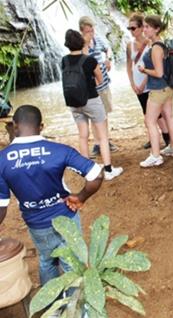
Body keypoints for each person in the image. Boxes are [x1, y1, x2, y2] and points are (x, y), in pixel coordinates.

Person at [0, 105, 102, 287]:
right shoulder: (60, 150)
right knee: (73, 264)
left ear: (14, 126)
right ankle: (77, 309)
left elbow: (1, 206)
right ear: (42, 126)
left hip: (37, 223)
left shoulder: (2, 160)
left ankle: (53, 309)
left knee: (47, 260)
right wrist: (80, 197)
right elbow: (96, 175)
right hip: (66, 216)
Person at [62, 29, 123, 180]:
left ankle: (87, 171)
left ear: (67, 45)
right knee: (102, 136)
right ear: (81, 42)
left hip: (74, 102)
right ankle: (108, 170)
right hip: (91, 100)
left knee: (83, 136)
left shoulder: (64, 60)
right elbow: (101, 80)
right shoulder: (89, 60)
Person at [138, 15, 173, 167]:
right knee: (169, 116)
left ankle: (155, 155)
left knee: (149, 121)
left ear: (156, 28)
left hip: (158, 88)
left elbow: (159, 72)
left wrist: (144, 70)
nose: (145, 29)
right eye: (144, 26)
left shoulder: (156, 48)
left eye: (148, 27)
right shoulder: (162, 44)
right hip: (168, 87)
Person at [126, 12, 170, 150]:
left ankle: (165, 138)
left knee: (156, 115)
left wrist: (143, 83)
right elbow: (129, 66)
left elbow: (154, 66)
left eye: (133, 28)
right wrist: (133, 84)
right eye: (129, 29)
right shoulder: (129, 45)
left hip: (149, 82)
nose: (131, 31)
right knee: (147, 113)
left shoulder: (151, 44)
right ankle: (155, 138)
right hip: (138, 84)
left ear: (141, 28)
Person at [78, 16, 118, 158]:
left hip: (104, 84)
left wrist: (109, 60)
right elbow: (84, 62)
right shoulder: (81, 45)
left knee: (104, 115)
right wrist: (86, 45)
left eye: (92, 30)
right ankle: (98, 143)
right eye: (88, 31)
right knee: (96, 116)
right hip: (91, 88)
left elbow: (108, 50)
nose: (91, 33)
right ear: (82, 31)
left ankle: (105, 141)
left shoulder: (98, 40)